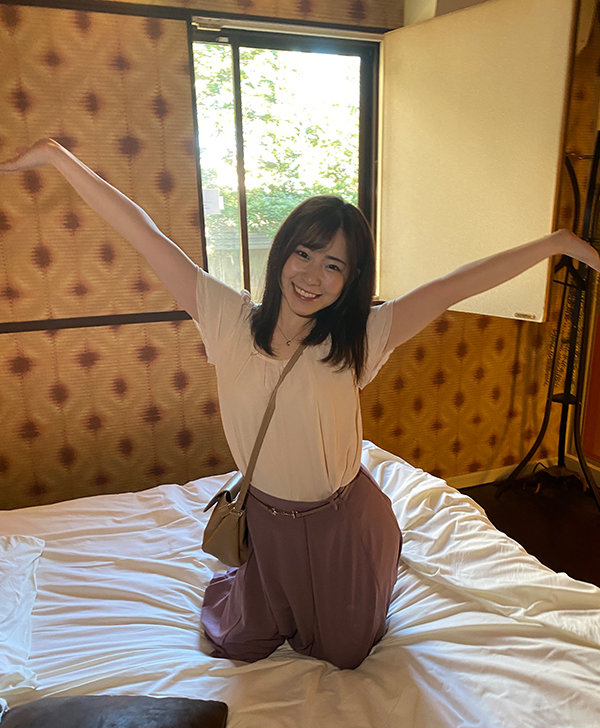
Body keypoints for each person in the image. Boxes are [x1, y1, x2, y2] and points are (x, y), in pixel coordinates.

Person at [1, 139, 599, 669]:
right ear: (282, 252)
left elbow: (455, 285)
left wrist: (556, 243)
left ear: (351, 279)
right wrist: (58, 158)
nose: (312, 276)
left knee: (346, 651)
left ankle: (381, 549)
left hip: (342, 520)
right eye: (304, 254)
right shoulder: (227, 318)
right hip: (267, 518)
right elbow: (144, 233)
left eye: (334, 265)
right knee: (238, 640)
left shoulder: (360, 338)